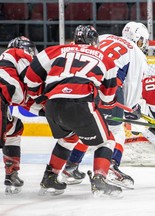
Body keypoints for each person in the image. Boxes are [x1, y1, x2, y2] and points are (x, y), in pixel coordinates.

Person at [24, 25, 122, 197]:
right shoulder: (106, 59)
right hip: (80, 103)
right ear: (95, 41)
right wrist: (103, 102)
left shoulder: (57, 50)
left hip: (53, 105)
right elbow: (108, 99)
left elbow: (30, 76)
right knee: (107, 140)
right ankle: (100, 179)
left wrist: (35, 95)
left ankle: (50, 177)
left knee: (68, 138)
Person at [62, 21, 150, 189]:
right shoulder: (136, 53)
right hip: (108, 88)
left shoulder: (104, 37)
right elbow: (132, 83)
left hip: (80, 85)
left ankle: (70, 167)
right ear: (139, 40)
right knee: (116, 131)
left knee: (90, 128)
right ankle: (110, 167)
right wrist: (132, 106)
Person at [0, 36, 41, 195]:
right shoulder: (18, 54)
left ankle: (11, 174)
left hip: (2, 102)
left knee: (14, 127)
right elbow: (34, 83)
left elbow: (24, 99)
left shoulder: (8, 66)